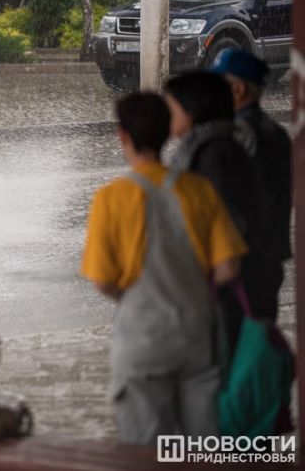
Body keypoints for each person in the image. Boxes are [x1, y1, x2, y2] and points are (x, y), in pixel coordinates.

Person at [81, 93, 245, 444]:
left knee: (147, 453)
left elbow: (102, 280)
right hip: (196, 335)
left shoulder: (110, 198)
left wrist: (139, 297)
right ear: (169, 132)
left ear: (122, 136)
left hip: (142, 341)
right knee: (204, 449)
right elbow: (229, 268)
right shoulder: (198, 189)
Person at [164, 71, 267, 352]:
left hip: (221, 288)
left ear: (192, 109)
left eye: (171, 105)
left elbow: (228, 222)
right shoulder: (204, 147)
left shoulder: (215, 154)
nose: (167, 112)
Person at [210, 48, 292, 321]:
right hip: (267, 255)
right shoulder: (275, 131)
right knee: (257, 337)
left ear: (237, 90)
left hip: (244, 260)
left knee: (237, 344)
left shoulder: (239, 134)